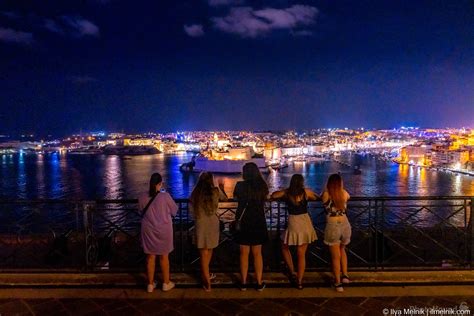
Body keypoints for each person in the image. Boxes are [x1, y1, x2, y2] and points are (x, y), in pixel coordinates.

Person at [270, 174, 318, 289]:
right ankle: (300, 281)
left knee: (284, 246)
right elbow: (316, 197)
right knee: (301, 254)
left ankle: (292, 271)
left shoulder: (287, 193)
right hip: (305, 221)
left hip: (293, 221)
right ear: (302, 182)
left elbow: (274, 195)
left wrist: (285, 191)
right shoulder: (306, 192)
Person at [138, 173, 178, 293]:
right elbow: (174, 210)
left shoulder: (142, 196)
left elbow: (140, 210)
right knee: (164, 257)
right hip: (164, 230)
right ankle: (166, 283)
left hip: (148, 229)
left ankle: (150, 284)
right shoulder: (165, 196)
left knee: (150, 257)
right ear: (160, 184)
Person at [233, 162, 269, 291]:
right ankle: (259, 282)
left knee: (243, 253)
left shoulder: (240, 186)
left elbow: (235, 198)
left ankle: (243, 282)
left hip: (244, 222)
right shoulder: (262, 186)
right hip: (258, 221)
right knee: (257, 253)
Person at [190, 172, 228, 291]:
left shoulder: (195, 194)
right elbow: (225, 198)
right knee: (210, 248)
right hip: (213, 222)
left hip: (200, 222)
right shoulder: (215, 191)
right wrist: (221, 187)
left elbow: (191, 210)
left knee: (202, 253)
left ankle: (206, 278)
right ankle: (207, 279)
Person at [321, 173, 352, 292]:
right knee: (342, 250)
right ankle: (345, 276)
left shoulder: (326, 194)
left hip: (332, 225)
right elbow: (348, 197)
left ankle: (338, 283)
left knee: (335, 257)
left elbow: (321, 198)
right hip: (345, 224)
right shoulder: (344, 193)